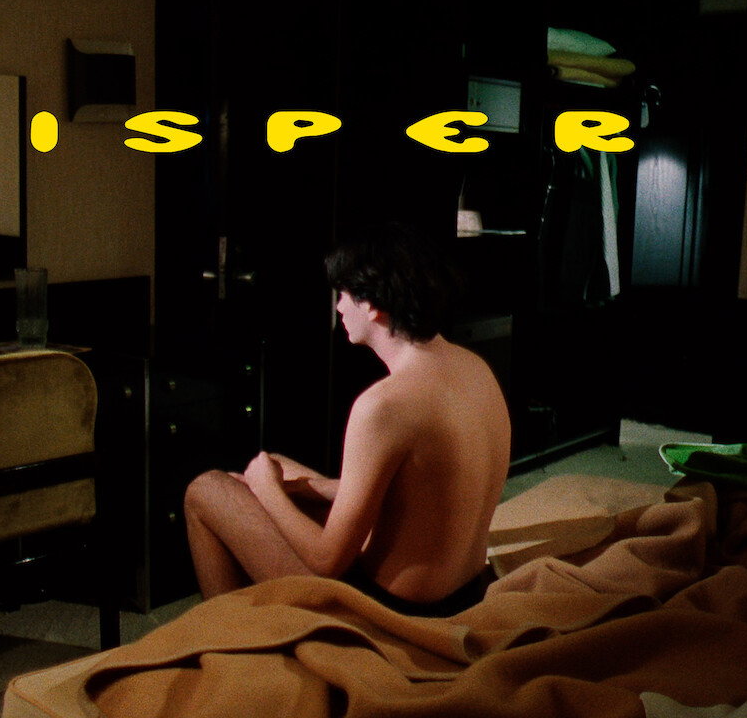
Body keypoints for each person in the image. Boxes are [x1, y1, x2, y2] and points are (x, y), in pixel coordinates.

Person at [183, 223, 511, 615]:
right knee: (281, 467)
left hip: (393, 611)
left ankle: (227, 636)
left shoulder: (384, 405)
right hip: (466, 591)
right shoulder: (475, 368)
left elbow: (327, 562)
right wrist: (299, 487)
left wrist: (265, 488)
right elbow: (422, 491)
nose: (339, 306)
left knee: (206, 490)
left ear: (371, 304)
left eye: (343, 294)